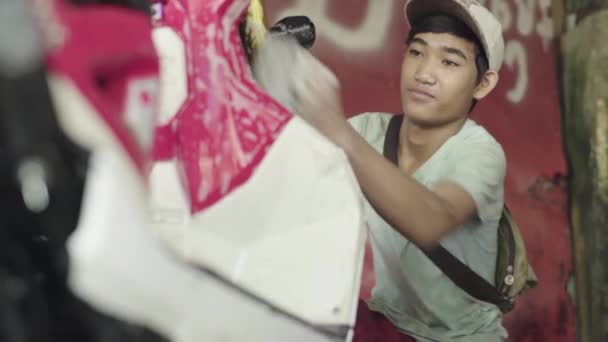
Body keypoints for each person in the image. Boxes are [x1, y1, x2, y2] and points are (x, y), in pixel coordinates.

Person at [293, 0, 508, 341]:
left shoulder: (480, 153)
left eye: (449, 61)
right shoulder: (366, 131)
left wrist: (338, 132)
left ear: (482, 83)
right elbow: (291, 175)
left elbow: (432, 218)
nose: (424, 73)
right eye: (417, 52)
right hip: (389, 325)